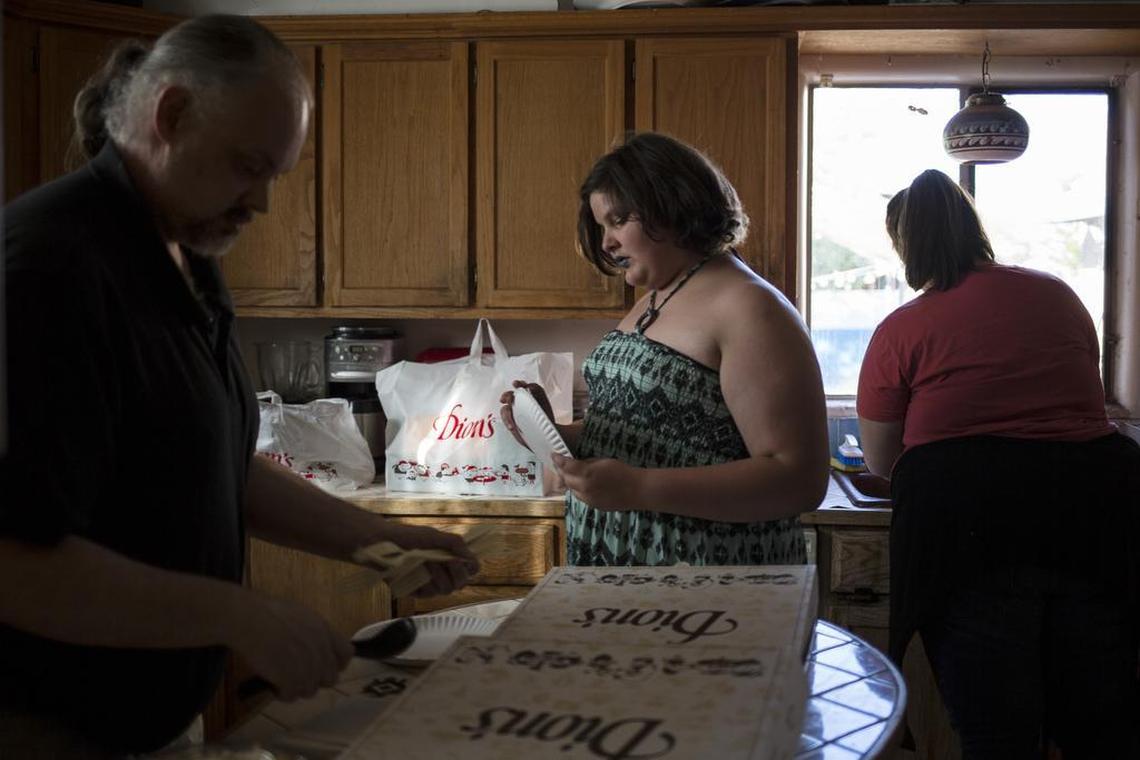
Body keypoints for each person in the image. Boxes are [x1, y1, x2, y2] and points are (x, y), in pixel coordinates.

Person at [0, 16, 477, 757]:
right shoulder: (49, 269)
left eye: (273, 176)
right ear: (171, 114)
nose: (260, 204)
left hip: (150, 720)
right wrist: (237, 614)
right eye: (247, 166)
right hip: (46, 730)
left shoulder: (182, 252)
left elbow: (211, 462)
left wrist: (372, 537)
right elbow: (16, 562)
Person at [857, 168, 1140, 758]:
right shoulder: (1056, 294)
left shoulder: (902, 328)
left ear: (904, 244)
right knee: (1097, 727)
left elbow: (884, 461)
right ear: (973, 228)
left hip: (971, 528)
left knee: (997, 734)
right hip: (1096, 514)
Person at [501, 132, 828, 567]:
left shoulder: (748, 308)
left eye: (618, 221)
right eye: (602, 226)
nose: (606, 244)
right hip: (629, 582)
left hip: (708, 590)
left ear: (674, 206)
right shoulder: (657, 296)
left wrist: (638, 488)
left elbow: (798, 479)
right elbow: (654, 441)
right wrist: (556, 435)